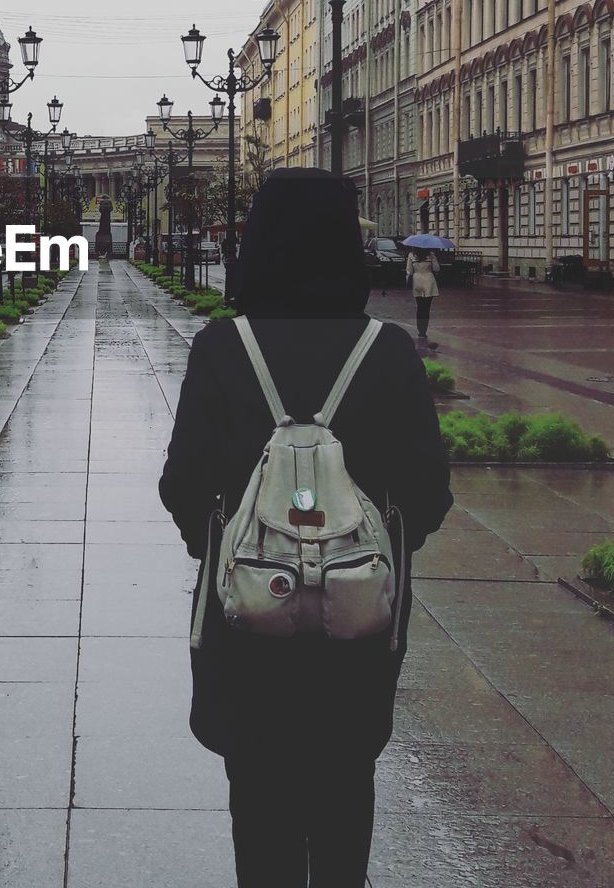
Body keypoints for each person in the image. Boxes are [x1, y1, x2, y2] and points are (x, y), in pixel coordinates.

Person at [160, 169, 452, 888]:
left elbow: (182, 487)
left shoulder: (222, 349)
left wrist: (239, 551)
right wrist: (357, 557)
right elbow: (430, 495)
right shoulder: (388, 353)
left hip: (248, 627)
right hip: (358, 636)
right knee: (346, 797)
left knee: (258, 812)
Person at [406, 248, 440, 349]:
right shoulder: (431, 255)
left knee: (420, 306)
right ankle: (424, 330)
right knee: (427, 307)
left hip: (417, 281)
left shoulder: (412, 255)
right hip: (429, 281)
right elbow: (436, 268)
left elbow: (409, 271)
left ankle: (420, 330)